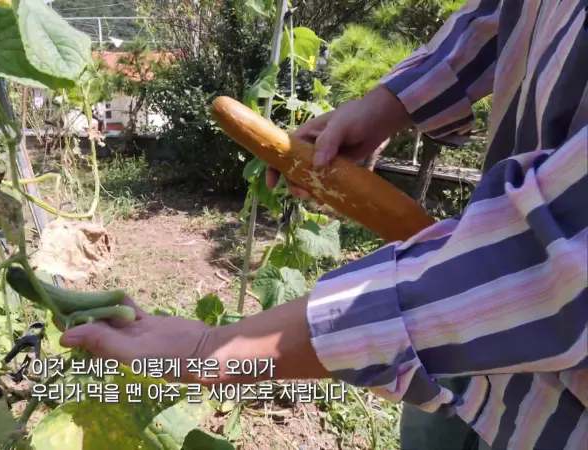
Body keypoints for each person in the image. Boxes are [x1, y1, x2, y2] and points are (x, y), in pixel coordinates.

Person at [60, 1, 587, 448]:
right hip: (474, 379)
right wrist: (388, 103)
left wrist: (212, 349)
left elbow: (552, 266)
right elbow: (506, 12)